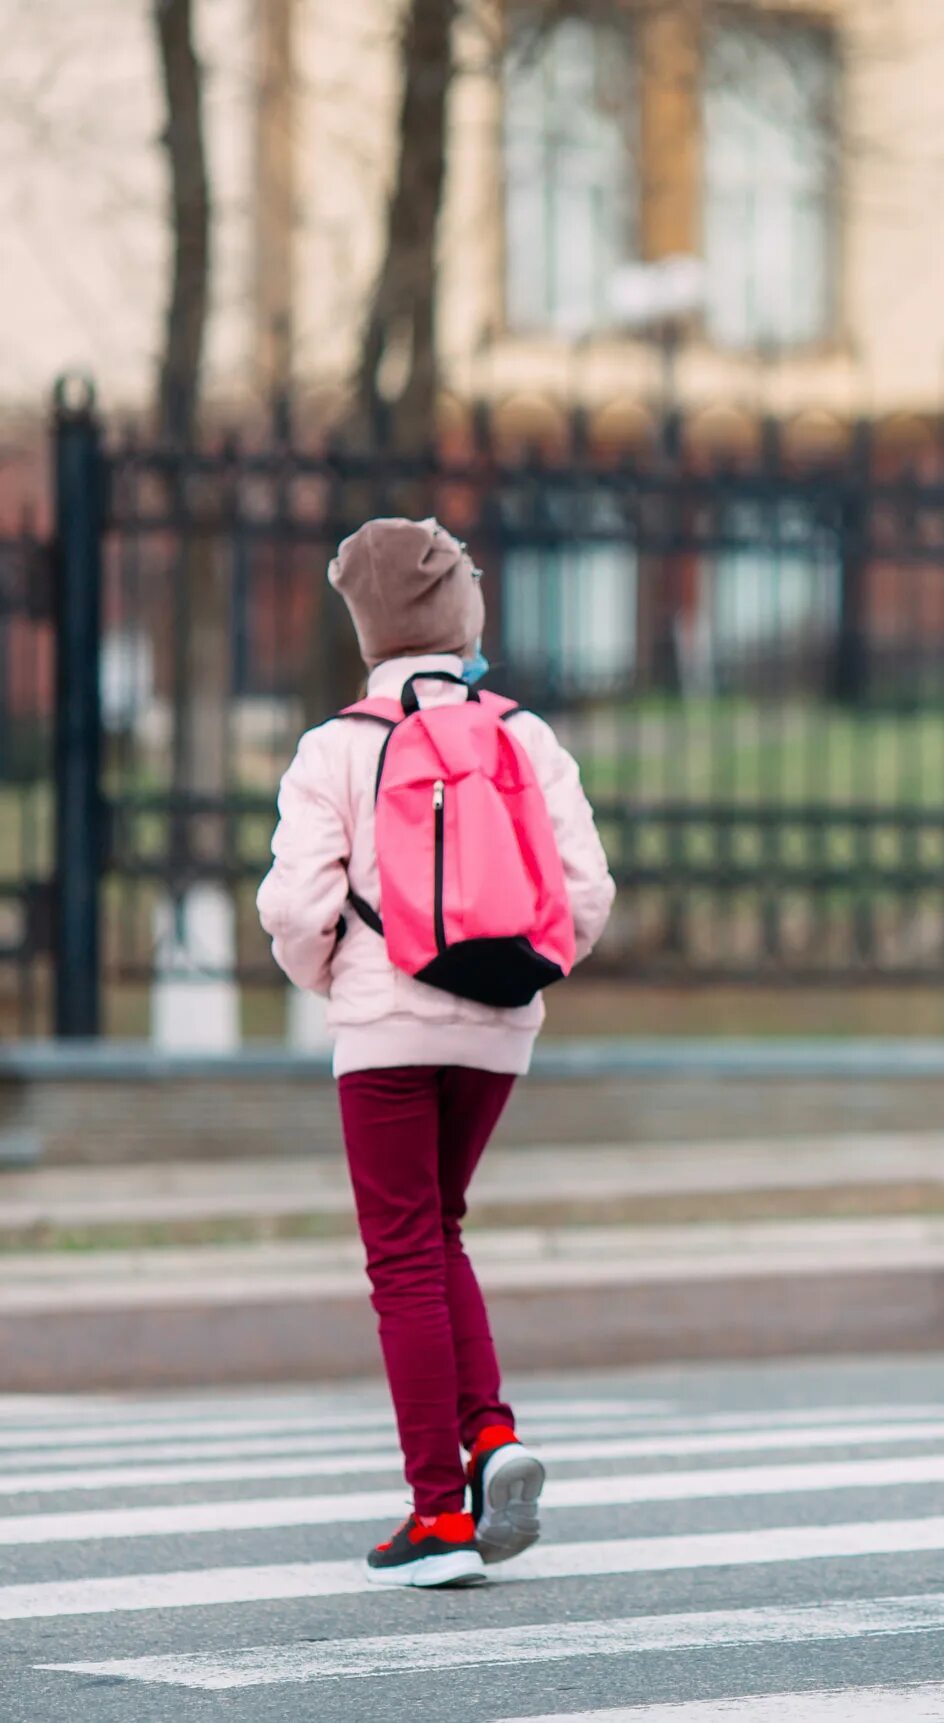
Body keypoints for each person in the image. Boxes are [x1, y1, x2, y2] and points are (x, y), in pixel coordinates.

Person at [257, 518, 614, 1588]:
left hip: (384, 1025)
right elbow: (585, 890)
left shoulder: (336, 746)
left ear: (366, 625)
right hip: (502, 1025)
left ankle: (437, 1515)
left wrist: (335, 981)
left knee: (403, 1251)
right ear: (465, 616)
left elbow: (292, 903)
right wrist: (527, 975)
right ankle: (491, 1435)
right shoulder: (526, 734)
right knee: (440, 1228)